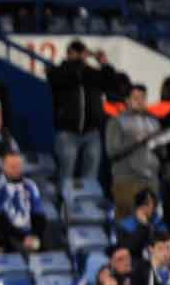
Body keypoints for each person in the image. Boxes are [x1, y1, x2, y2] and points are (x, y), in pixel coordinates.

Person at [46, 40, 117, 182]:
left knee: (90, 178)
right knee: (66, 175)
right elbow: (70, 76)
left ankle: (87, 204)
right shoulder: (58, 71)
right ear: (69, 54)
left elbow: (111, 82)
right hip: (67, 133)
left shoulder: (90, 73)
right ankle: (64, 204)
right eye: (78, 54)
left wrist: (104, 63)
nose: (83, 58)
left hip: (92, 133)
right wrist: (78, 60)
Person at [106, 83, 165, 217]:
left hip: (151, 181)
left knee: (150, 227)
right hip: (128, 181)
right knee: (127, 225)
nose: (140, 101)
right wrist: (136, 141)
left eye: (143, 98)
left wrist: (161, 145)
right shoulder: (116, 121)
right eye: (136, 98)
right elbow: (112, 151)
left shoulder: (154, 122)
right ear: (127, 100)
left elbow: (160, 151)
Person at [0, 150, 47, 253]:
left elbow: (38, 214)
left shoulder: (30, 185)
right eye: (12, 166)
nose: (16, 169)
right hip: (7, 235)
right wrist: (22, 237)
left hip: (30, 235)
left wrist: (34, 235)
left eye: (18, 165)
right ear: (3, 167)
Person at [115, 189, 167, 260]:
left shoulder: (158, 223)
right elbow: (128, 249)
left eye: (154, 204)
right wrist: (143, 226)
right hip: (134, 264)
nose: (152, 208)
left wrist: (147, 226)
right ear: (139, 206)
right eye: (147, 204)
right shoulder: (124, 225)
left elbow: (163, 244)